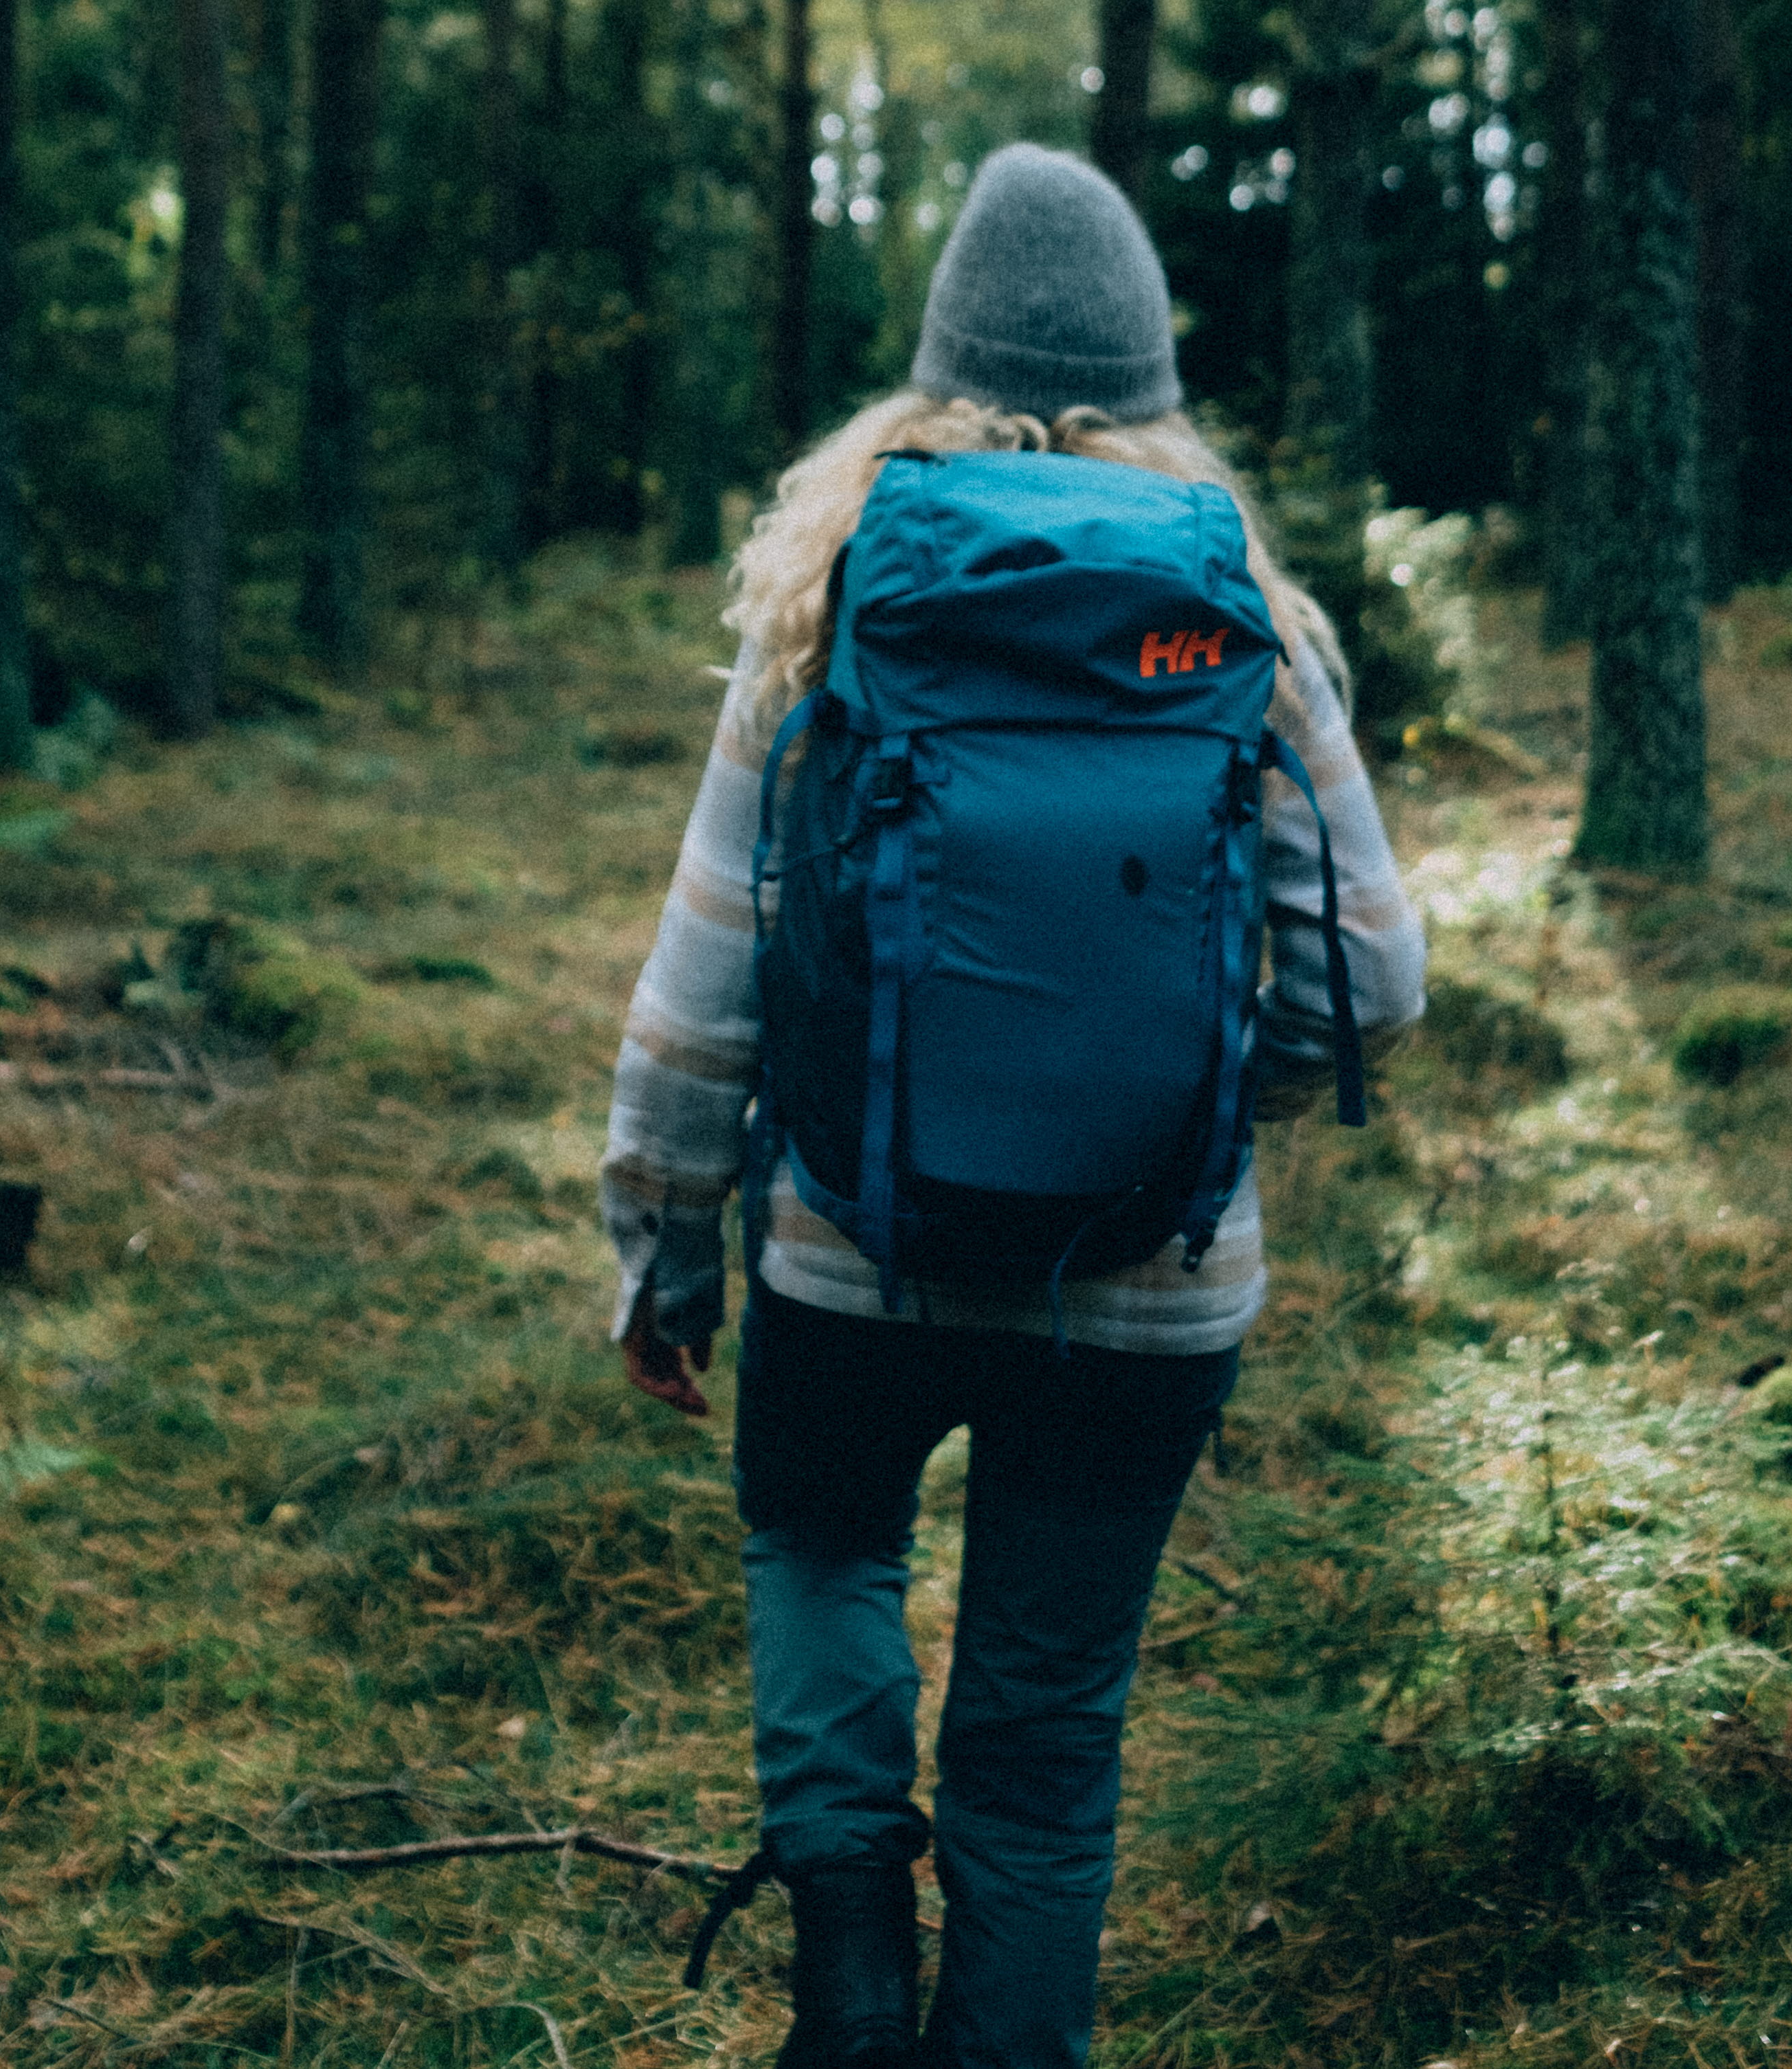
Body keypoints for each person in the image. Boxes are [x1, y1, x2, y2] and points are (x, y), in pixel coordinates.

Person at [599, 143, 1426, 2069]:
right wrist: (1201, 1114)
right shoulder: (1241, 620)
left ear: (932, 361)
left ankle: (857, 2012)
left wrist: (662, 1252)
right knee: (1049, 1739)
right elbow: (1374, 978)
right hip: (1153, 1269)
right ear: (1156, 381)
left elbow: (702, 984)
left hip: (847, 1247)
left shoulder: (840, 596)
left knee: (822, 1557)